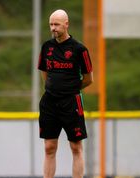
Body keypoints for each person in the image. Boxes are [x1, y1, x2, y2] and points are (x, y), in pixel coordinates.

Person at [37, 9, 93, 178]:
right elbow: (43, 71)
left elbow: (89, 78)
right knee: (49, 147)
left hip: (71, 102)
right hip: (49, 103)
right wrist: (52, 88)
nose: (53, 28)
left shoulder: (79, 49)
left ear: (66, 24)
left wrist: (70, 89)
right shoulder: (47, 47)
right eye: (51, 24)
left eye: (57, 24)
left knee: (76, 147)